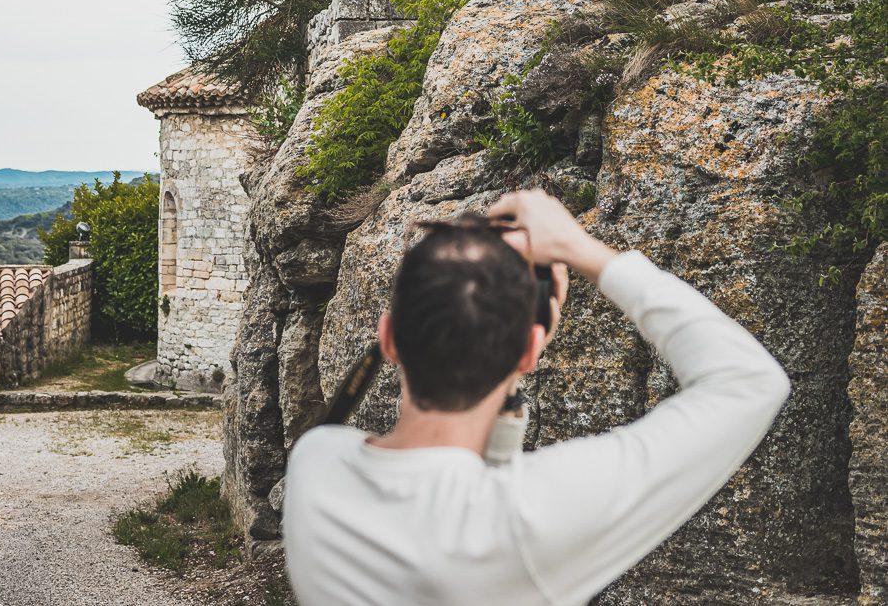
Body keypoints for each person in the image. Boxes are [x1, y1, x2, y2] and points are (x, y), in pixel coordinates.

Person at [283, 189, 790, 606]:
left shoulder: (316, 462)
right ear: (530, 349)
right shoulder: (525, 523)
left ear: (390, 338)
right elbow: (750, 381)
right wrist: (582, 249)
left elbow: (472, 481)